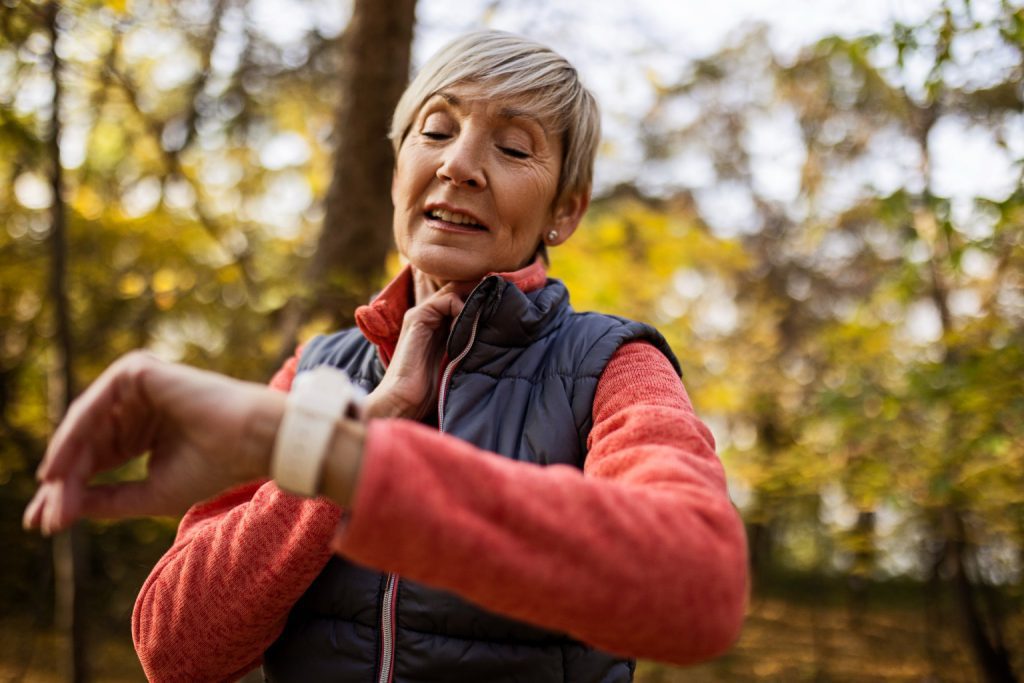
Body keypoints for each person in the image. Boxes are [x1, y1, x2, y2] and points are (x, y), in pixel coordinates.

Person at [24, 30, 747, 682]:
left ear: (565, 211)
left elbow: (701, 587)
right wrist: (354, 433)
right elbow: (174, 649)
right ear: (399, 163)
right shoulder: (317, 366)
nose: (459, 164)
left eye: (515, 146)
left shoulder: (611, 364)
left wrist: (334, 453)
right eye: (436, 130)